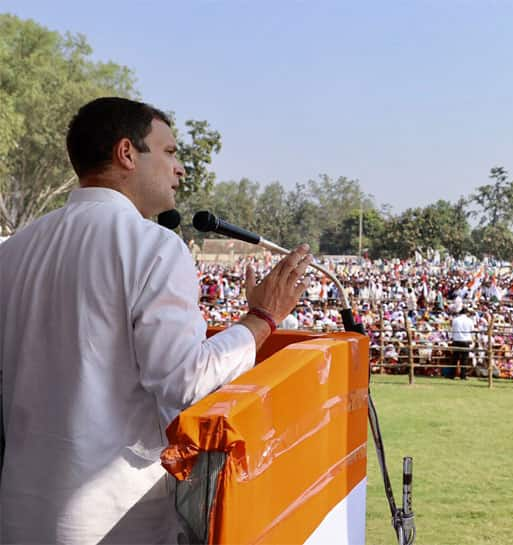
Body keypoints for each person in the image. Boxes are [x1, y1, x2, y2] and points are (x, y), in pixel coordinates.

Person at [0, 97, 312, 543]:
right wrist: (262, 318)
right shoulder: (153, 246)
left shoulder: (14, 249)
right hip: (115, 520)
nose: (180, 168)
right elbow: (186, 382)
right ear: (126, 153)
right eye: (169, 152)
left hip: (19, 513)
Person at [450, 307, 475, 380]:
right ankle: (463, 375)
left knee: (455, 358)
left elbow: (453, 330)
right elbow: (472, 331)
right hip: (466, 341)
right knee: (464, 359)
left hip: (456, 340)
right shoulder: (470, 321)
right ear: (467, 313)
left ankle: (452, 374)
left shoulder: (455, 320)